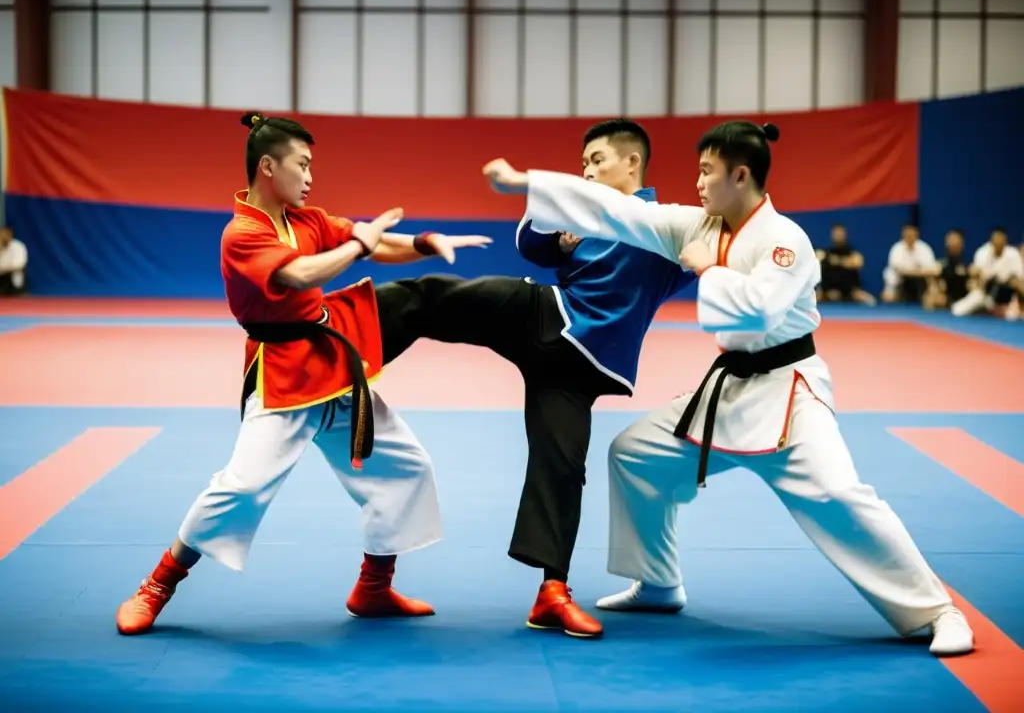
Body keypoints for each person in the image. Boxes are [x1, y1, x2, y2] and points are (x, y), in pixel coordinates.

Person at [480, 120, 975, 656]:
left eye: (706, 172)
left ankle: (937, 610)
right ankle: (659, 583)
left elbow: (760, 309)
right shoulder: (698, 225)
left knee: (838, 493)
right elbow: (623, 211)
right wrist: (525, 184)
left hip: (789, 393)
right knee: (634, 455)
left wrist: (706, 271)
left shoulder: (786, 241)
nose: (697, 183)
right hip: (729, 389)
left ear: (741, 176)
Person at [115, 111, 491, 635]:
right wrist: (358, 244)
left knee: (407, 468)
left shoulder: (308, 219)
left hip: (335, 367)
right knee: (241, 487)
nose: (311, 176)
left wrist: (426, 243)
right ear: (268, 167)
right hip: (282, 375)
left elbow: (375, 242)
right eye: (303, 164)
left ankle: (374, 588)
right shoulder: (241, 234)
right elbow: (298, 273)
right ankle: (157, 586)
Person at [375, 119, 695, 639]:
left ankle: (553, 592)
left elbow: (723, 246)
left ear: (632, 163)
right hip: (542, 316)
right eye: (584, 163)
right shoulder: (581, 209)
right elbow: (531, 243)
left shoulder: (667, 225)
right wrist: (561, 239)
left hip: (581, 368)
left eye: (598, 160)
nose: (587, 170)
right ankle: (342, 345)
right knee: (436, 297)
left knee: (563, 467)